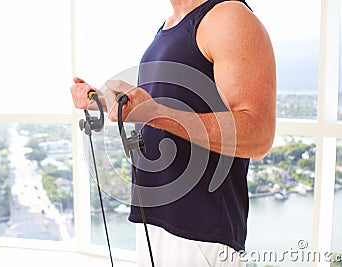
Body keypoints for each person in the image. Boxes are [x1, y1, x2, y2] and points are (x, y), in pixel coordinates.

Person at [70, 0, 276, 266]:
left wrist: (155, 113)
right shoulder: (170, 24)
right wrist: (101, 101)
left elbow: (258, 134)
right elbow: (161, 106)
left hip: (202, 233)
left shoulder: (228, 17)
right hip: (153, 220)